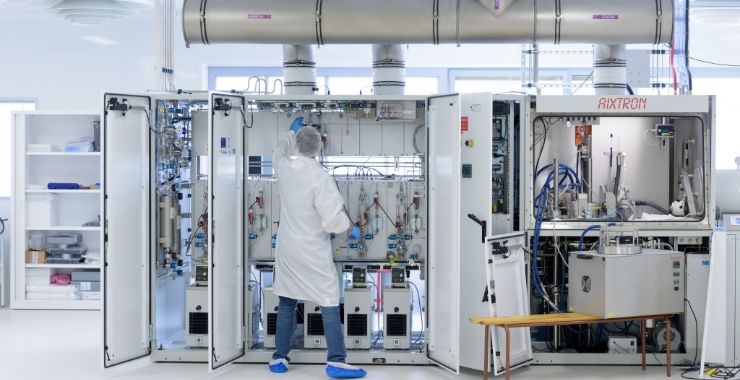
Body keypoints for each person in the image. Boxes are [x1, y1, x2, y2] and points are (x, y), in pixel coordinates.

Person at [268, 117, 366, 379]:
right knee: (329, 301)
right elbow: (332, 219)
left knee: (287, 301)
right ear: (319, 147)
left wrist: (290, 131)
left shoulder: (284, 167)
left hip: (288, 247)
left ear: (297, 144)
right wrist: (350, 228)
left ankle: (279, 358)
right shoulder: (319, 176)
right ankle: (336, 360)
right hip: (312, 250)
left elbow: (277, 150)